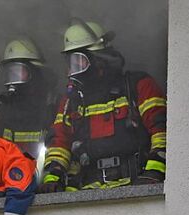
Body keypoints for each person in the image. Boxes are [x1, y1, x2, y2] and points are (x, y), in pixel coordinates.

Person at [39, 20, 167, 192]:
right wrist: (53, 178)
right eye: (69, 63)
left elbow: (162, 130)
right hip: (86, 195)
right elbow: (59, 143)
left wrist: (153, 173)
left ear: (99, 60)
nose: (71, 71)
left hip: (136, 187)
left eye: (78, 62)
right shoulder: (71, 101)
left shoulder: (137, 86)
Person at [0, 38, 57, 163]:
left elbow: (60, 144)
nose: (13, 79)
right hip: (6, 179)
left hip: (41, 176)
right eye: (9, 73)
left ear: (33, 72)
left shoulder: (52, 105)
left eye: (18, 72)